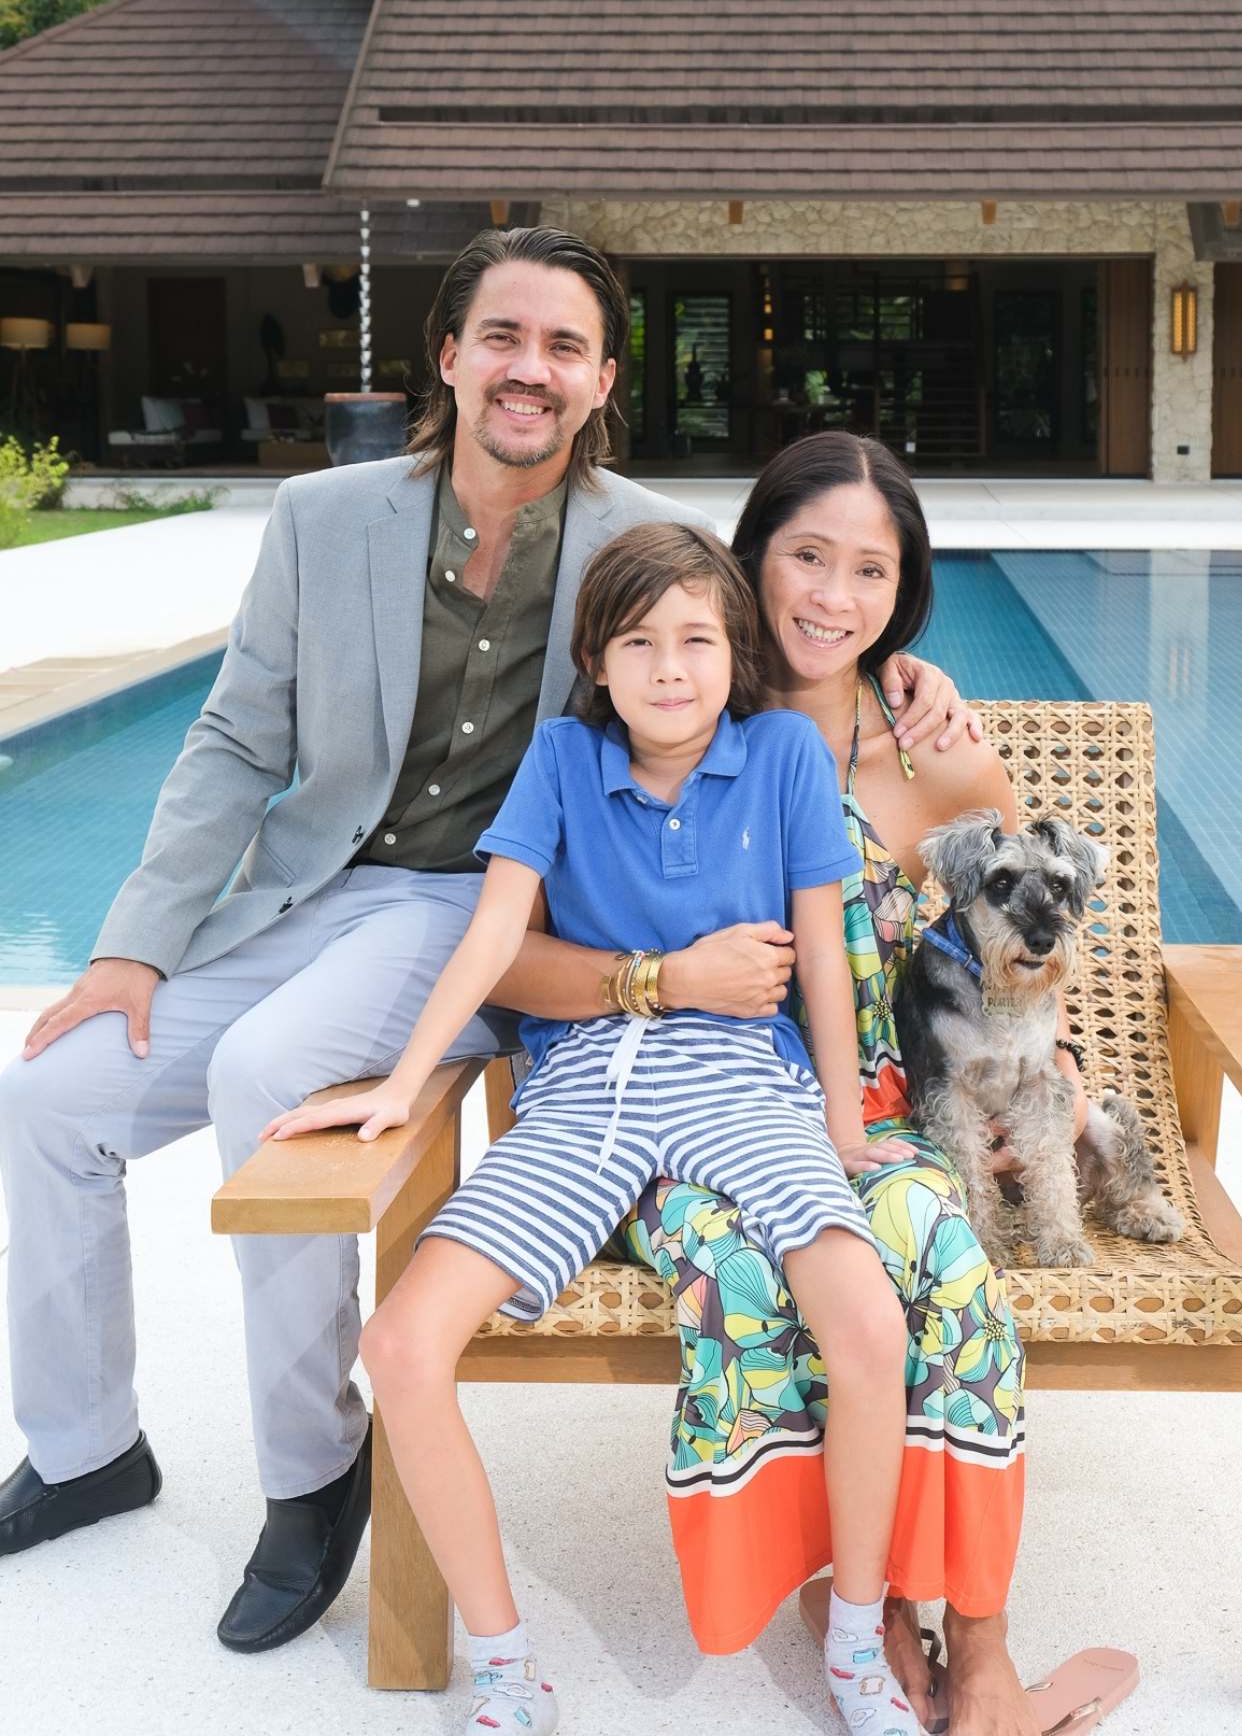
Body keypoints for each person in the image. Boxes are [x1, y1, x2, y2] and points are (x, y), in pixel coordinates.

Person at [0, 228, 968, 1650]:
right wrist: (135, 947)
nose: (531, 368)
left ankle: (310, 1473)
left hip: (476, 908)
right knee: (44, 1094)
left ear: (603, 380)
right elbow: (235, 739)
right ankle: (88, 1447)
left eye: (565, 346)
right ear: (448, 356)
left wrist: (908, 670)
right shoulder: (322, 519)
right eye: (503, 336)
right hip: (306, 891)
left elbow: (770, 633)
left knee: (264, 1071)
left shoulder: (643, 531)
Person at [264, 520, 935, 1736]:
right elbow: (494, 932)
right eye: (638, 642)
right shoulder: (563, 758)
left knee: (869, 1325)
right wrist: (404, 1080)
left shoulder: (783, 752)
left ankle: (853, 1645)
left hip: (742, 1076)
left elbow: (822, 952)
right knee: (402, 1344)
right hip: (588, 1086)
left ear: (734, 650)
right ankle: (507, 1667)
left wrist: (842, 1124)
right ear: (597, 657)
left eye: (695, 639)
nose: (669, 667)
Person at [490, 433, 1087, 1736]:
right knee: (752, 1275)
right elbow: (509, 958)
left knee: (947, 1262)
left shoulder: (944, 760)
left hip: (879, 1119)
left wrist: (1052, 1088)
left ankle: (980, 1635)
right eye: (806, 556)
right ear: (747, 556)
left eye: (871, 570)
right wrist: (662, 979)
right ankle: (849, 1598)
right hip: (688, 1111)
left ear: (905, 593)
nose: (832, 596)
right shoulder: (673, 714)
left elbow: (1013, 962)